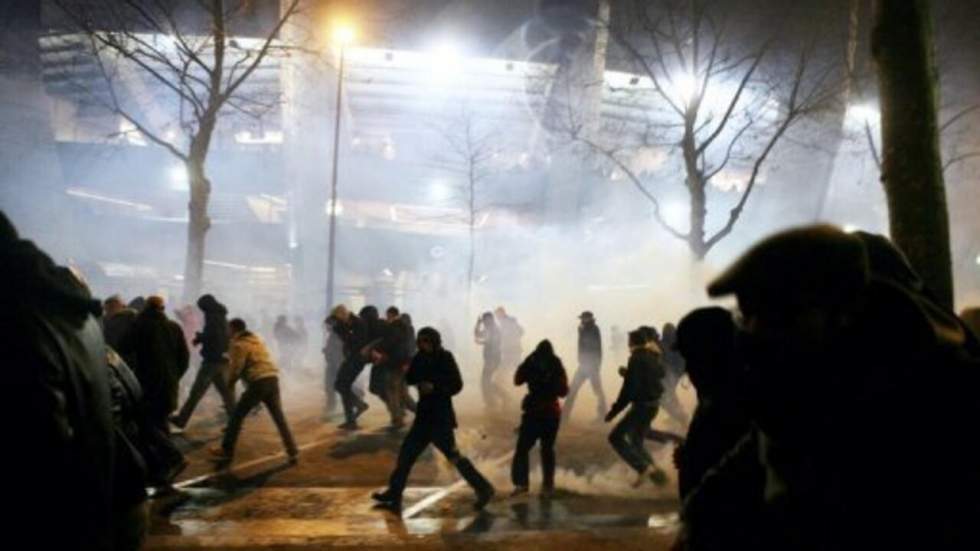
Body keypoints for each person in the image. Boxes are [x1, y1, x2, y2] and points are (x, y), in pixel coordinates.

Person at [695, 225, 980, 549]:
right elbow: (726, 492)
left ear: (843, 310)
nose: (758, 331)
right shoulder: (796, 395)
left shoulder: (947, 404)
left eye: (782, 313)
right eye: (747, 315)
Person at [3, 212, 115, 550]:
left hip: (49, 521)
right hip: (97, 504)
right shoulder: (80, 316)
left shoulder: (16, 322)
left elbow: (37, 441)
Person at [371, 327, 495, 513]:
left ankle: (484, 488)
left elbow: (457, 384)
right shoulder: (419, 357)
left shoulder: (445, 358)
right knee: (406, 455)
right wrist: (411, 374)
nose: (423, 345)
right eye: (420, 342)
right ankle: (394, 492)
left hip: (440, 417)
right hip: (424, 417)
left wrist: (435, 387)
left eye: (426, 342)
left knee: (454, 456)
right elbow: (411, 377)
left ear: (435, 342)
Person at [119, 295, 189, 486]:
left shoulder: (141, 324)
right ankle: (161, 469)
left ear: (146, 308)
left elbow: (123, 346)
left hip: (148, 383)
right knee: (161, 423)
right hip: (170, 385)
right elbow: (185, 358)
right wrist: (175, 376)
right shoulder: (174, 327)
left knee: (145, 423)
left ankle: (174, 458)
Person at [210, 318, 298, 464]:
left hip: (258, 382)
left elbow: (236, 367)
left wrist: (230, 383)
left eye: (228, 328)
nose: (227, 331)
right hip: (272, 379)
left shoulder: (238, 344)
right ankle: (292, 449)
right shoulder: (256, 340)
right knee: (279, 418)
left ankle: (226, 450)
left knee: (237, 416)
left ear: (234, 329)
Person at [605, 328, 668, 487]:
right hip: (653, 405)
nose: (628, 344)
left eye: (629, 341)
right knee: (636, 441)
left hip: (642, 406)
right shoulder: (652, 356)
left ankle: (643, 468)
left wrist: (614, 411)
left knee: (615, 438)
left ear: (632, 342)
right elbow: (658, 375)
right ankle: (658, 478)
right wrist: (629, 373)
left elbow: (628, 390)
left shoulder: (637, 358)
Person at [511, 339, 569, 497]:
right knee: (547, 450)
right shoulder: (556, 364)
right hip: (551, 412)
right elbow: (564, 391)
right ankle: (548, 486)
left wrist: (527, 364)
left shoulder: (531, 361)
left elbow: (517, 380)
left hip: (534, 412)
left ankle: (522, 484)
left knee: (522, 449)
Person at [171, 294, 236, 429]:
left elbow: (212, 336)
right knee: (226, 394)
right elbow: (218, 336)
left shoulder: (212, 317)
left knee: (196, 392)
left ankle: (182, 419)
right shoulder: (221, 316)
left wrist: (200, 338)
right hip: (221, 360)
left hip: (211, 361)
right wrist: (201, 338)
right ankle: (236, 421)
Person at [563, 311, 607, 423]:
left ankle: (602, 415)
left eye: (583, 318)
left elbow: (595, 348)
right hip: (585, 364)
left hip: (591, 365)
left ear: (588, 319)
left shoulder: (592, 329)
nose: (581, 320)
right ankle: (564, 415)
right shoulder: (585, 328)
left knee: (595, 391)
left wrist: (596, 365)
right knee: (574, 389)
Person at [332, 305, 371, 429]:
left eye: (338, 317)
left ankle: (357, 410)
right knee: (342, 386)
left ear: (344, 314)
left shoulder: (359, 323)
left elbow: (356, 342)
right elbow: (346, 339)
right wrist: (339, 328)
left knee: (341, 385)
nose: (338, 320)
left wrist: (343, 330)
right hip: (351, 358)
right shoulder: (343, 325)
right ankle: (352, 418)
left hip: (358, 359)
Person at [474, 311, 508, 411]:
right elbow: (477, 334)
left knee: (485, 382)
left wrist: (482, 342)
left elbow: (493, 341)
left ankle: (497, 400)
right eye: (483, 320)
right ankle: (496, 400)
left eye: (485, 320)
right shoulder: (489, 328)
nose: (484, 322)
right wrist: (478, 323)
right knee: (486, 382)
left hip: (493, 359)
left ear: (490, 319)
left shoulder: (495, 329)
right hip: (490, 359)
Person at [658, 323, 689, 427]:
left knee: (665, 396)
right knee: (669, 394)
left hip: (670, 374)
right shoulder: (677, 344)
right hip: (671, 374)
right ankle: (678, 416)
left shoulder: (667, 344)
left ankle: (681, 417)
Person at [323, 313, 346, 418]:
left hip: (338, 365)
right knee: (329, 386)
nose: (326, 327)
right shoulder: (333, 335)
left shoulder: (338, 335)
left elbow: (339, 350)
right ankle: (331, 406)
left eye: (328, 325)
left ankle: (352, 405)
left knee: (340, 386)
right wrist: (326, 351)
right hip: (332, 364)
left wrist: (328, 351)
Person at [496, 306, 525, 372]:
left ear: (502, 313)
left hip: (512, 348)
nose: (497, 317)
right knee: (511, 366)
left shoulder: (509, 321)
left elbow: (521, 331)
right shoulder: (504, 322)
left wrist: (513, 339)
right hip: (509, 349)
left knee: (514, 366)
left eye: (497, 315)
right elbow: (521, 331)